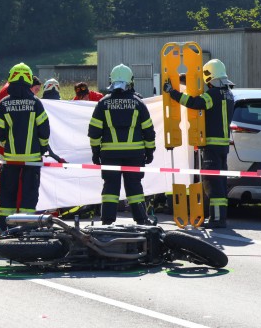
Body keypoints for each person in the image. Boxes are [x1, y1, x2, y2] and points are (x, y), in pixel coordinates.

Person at [163, 59, 234, 228]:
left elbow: (195, 103)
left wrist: (172, 92)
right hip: (224, 146)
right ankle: (221, 218)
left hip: (210, 145)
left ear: (209, 77)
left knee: (212, 184)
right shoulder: (229, 94)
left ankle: (216, 220)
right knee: (221, 183)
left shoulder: (213, 95)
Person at [88, 64, 156, 225]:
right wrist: (150, 151)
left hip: (109, 155)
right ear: (131, 81)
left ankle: (107, 221)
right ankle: (141, 219)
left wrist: (95, 152)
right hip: (135, 154)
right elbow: (149, 131)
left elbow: (94, 131)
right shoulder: (138, 103)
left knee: (110, 187)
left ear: (111, 81)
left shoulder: (103, 104)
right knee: (134, 187)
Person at [0, 63, 50, 231]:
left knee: (8, 193)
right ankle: (28, 229)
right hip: (32, 158)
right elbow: (44, 130)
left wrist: (6, 142)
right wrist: (43, 148)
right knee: (29, 194)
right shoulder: (35, 103)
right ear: (28, 80)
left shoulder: (4, 103)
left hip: (10, 157)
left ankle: (5, 228)